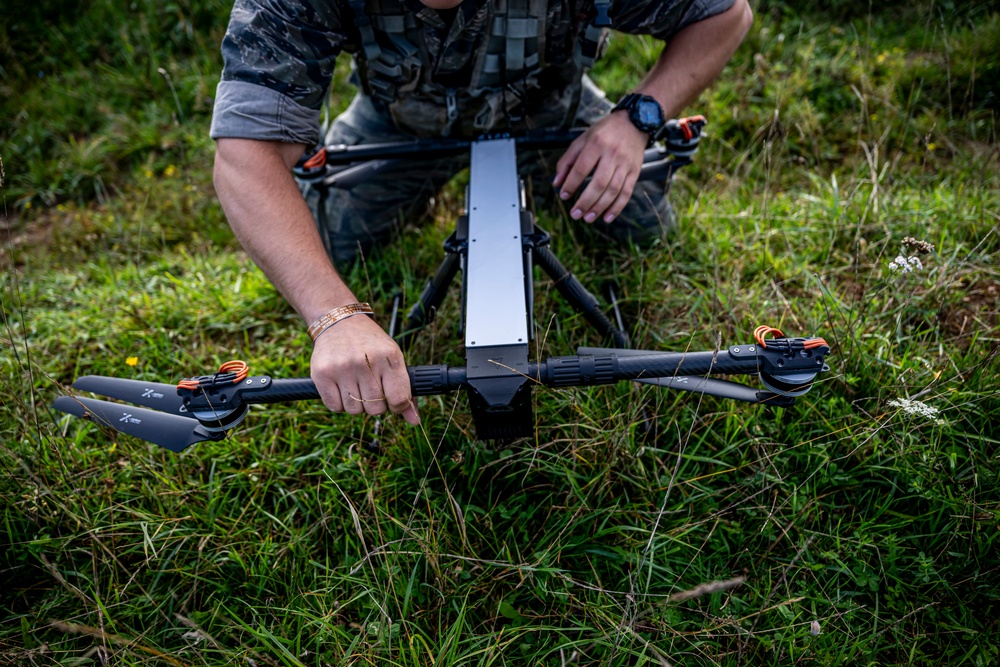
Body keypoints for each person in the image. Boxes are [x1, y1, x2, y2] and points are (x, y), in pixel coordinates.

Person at [210, 0, 753, 428]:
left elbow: (726, 15)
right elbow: (244, 157)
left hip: (551, 113)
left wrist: (637, 120)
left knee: (642, 229)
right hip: (401, 124)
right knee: (329, 246)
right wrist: (335, 316)